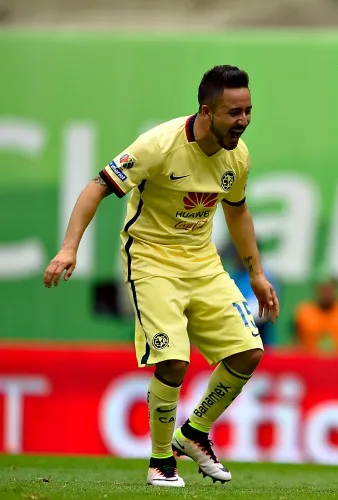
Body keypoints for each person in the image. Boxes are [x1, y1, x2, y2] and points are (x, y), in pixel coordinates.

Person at [42, 65, 279, 488]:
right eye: (233, 113)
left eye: (248, 111)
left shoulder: (237, 156)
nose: (242, 121)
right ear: (206, 111)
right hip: (150, 261)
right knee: (174, 359)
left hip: (203, 263)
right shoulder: (159, 145)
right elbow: (98, 185)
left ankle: (193, 433)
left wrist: (256, 273)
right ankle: (159, 461)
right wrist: (68, 247)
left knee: (248, 352)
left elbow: (237, 209)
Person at [292, 275, 338, 355]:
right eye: (323, 288)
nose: (327, 292)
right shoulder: (304, 312)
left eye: (330, 288)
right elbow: (296, 346)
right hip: (311, 364)